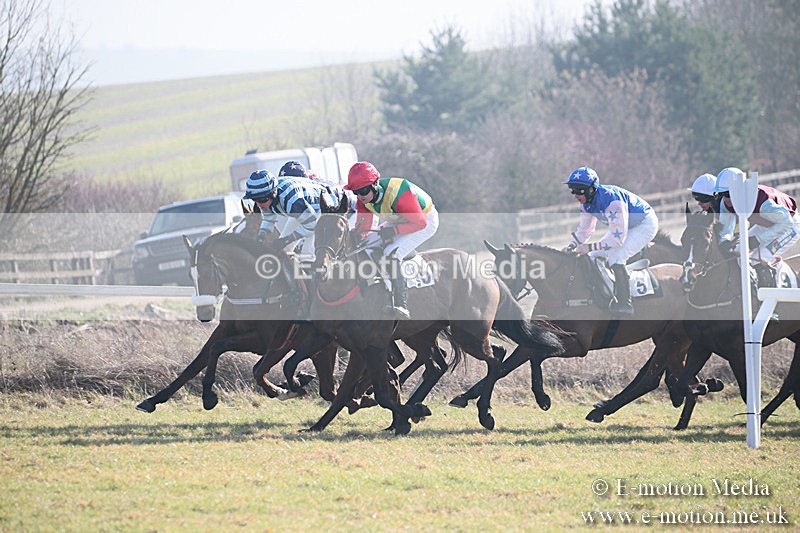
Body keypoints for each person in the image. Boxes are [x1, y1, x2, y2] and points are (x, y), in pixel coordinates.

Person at [344, 161, 438, 319]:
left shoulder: (399, 194)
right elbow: (364, 226)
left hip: (425, 220)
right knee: (366, 246)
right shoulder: (363, 199)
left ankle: (402, 303)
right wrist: (354, 235)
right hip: (399, 219)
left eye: (363, 191)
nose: (360, 196)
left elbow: (420, 223)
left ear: (375, 185)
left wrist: (394, 230)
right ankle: (386, 289)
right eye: (356, 192)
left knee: (391, 253)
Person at [562, 166, 659, 316]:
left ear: (592, 189)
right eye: (572, 190)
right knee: (593, 257)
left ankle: (625, 303)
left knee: (616, 257)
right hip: (624, 227)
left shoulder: (612, 200)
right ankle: (601, 295)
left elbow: (617, 240)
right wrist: (571, 246)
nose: (575, 194)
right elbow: (585, 230)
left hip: (644, 224)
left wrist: (589, 247)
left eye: (579, 190)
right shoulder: (586, 203)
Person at [242, 169, 355, 259]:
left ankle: (312, 286)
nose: (259, 204)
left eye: (262, 199)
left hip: (323, 210)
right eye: (255, 200)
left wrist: (287, 239)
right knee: (284, 251)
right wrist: (261, 236)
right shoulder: (266, 198)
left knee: (307, 252)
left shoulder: (292, 202)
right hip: (305, 210)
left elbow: (312, 225)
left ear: (273, 193)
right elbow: (268, 219)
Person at [715, 167, 800, 285]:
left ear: (740, 191)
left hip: (790, 226)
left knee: (758, 258)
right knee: (737, 250)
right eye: (721, 194)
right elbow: (726, 228)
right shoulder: (725, 203)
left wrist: (758, 239)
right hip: (765, 224)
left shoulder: (764, 203)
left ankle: (771, 292)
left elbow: (787, 223)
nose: (725, 198)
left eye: (728, 194)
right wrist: (724, 242)